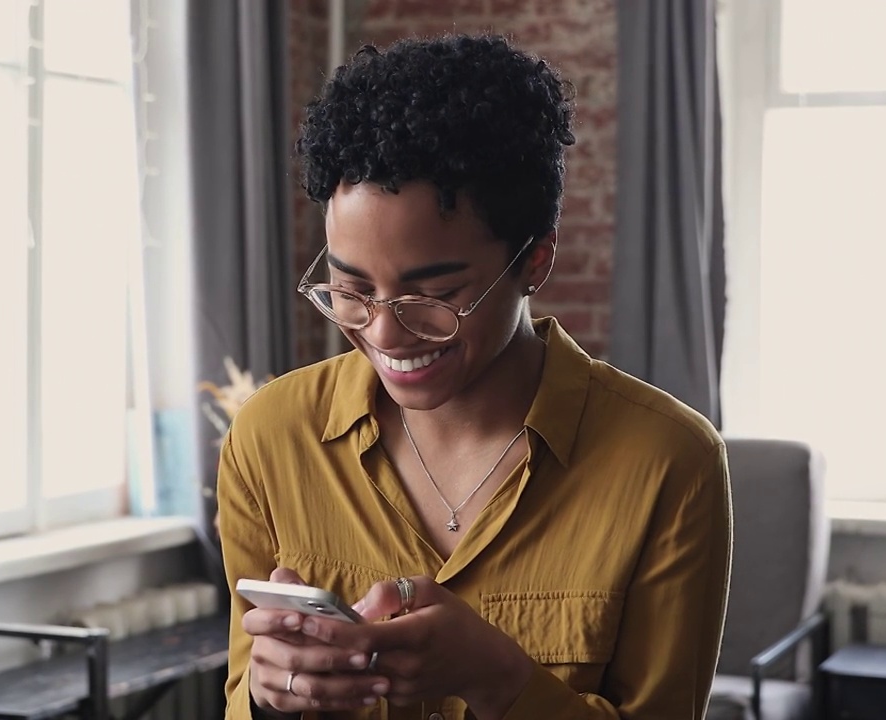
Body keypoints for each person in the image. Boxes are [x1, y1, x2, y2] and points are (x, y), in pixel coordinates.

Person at [218, 33, 732, 720]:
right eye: (350, 289)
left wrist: (498, 679)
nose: (384, 332)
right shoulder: (270, 438)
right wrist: (274, 696)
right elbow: (241, 697)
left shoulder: (669, 463)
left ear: (535, 262)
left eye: (433, 296)